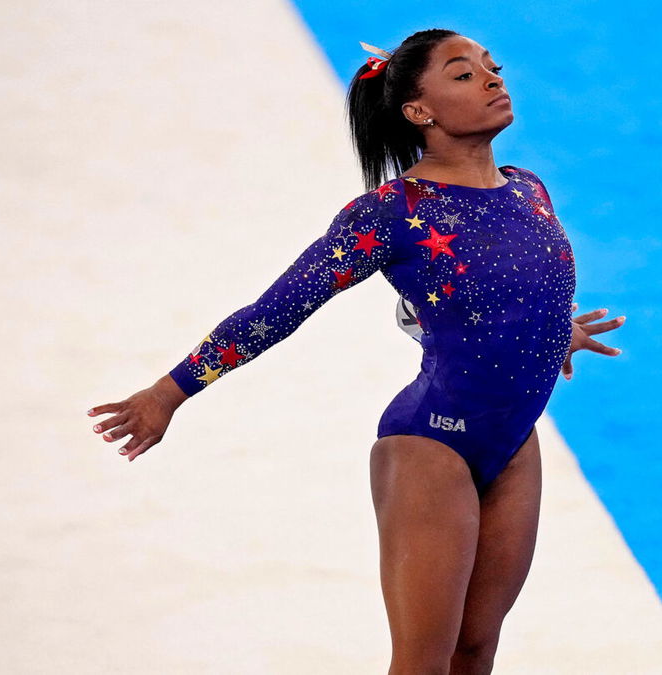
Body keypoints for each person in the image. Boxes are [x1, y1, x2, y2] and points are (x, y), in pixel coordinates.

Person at [87, 29, 625, 674]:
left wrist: (549, 332)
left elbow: (499, 289)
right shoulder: (391, 212)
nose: (491, 80)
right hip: (433, 446)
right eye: (463, 75)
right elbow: (279, 308)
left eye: (492, 67)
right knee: (423, 663)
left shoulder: (527, 188)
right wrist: (168, 392)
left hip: (513, 443)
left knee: (475, 651)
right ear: (418, 111)